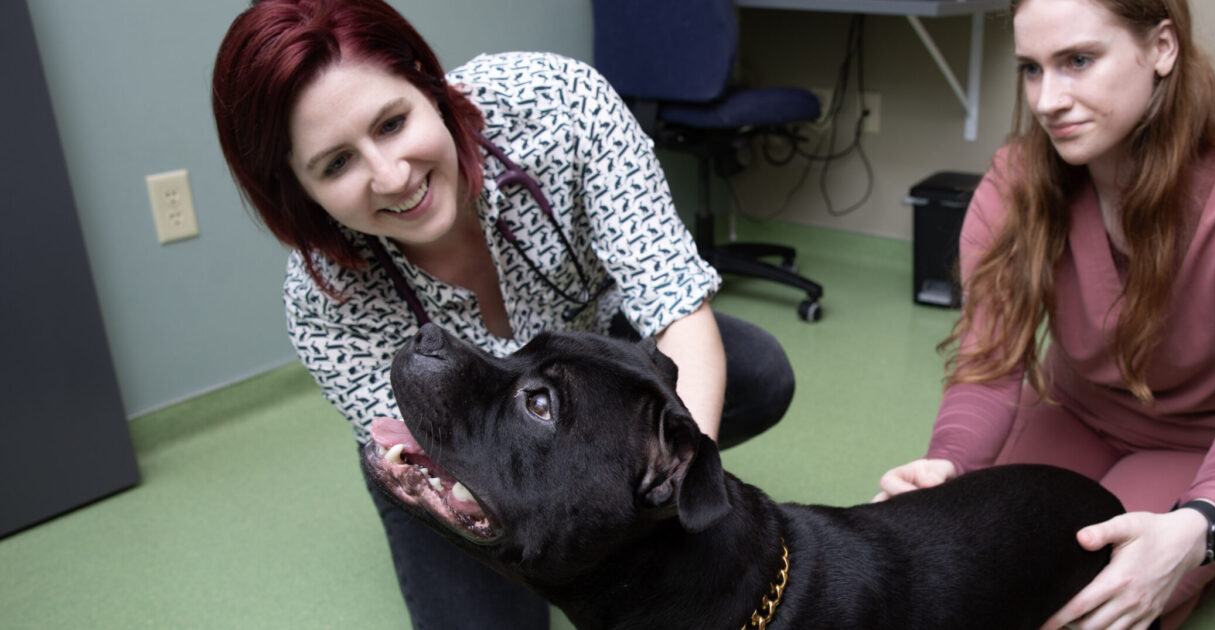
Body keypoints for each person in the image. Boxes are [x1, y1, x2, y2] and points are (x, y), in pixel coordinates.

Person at [211, 1, 795, 627]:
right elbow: (439, 453)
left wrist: (674, 476)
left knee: (754, 371)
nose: (392, 175)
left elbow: (675, 304)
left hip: (596, 348)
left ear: (423, 80)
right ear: (298, 188)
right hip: (448, 438)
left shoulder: (560, 104)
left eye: (391, 123)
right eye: (336, 164)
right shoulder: (324, 304)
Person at [875, 0, 1215, 628]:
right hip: (1078, 413)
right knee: (971, 566)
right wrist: (947, 466)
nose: (1047, 100)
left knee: (1085, 598)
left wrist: (1199, 524)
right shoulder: (1018, 182)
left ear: (1163, 48)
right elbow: (989, 368)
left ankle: (1211, 559)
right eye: (1031, 70)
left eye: (1079, 61)